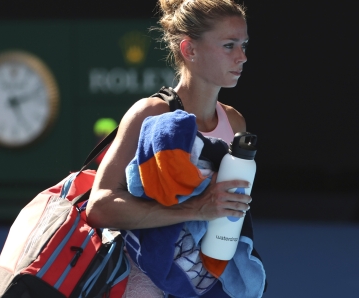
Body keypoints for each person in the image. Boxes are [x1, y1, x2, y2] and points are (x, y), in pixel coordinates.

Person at [86, 0, 258, 296]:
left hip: (209, 282)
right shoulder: (149, 114)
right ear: (189, 50)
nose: (242, 56)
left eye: (244, 44)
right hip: (145, 278)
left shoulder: (234, 121)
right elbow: (99, 207)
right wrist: (195, 208)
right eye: (229, 46)